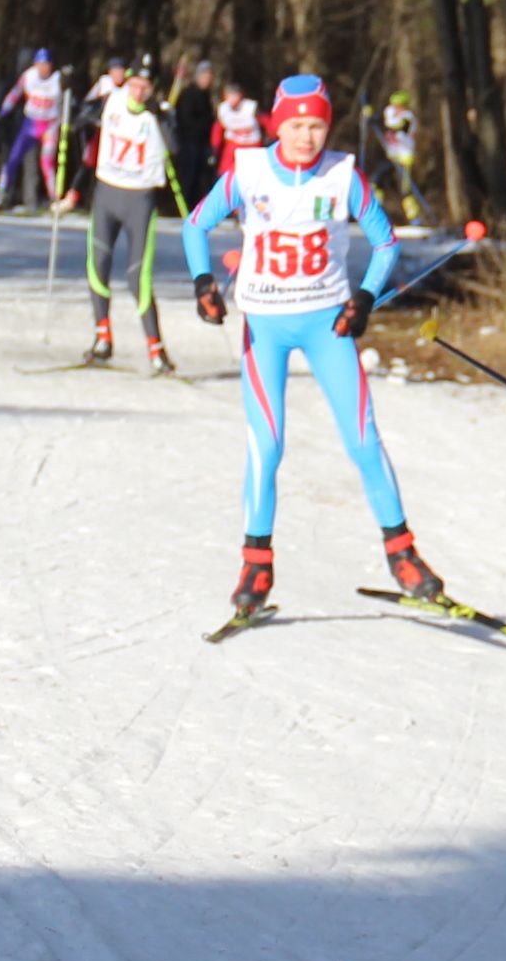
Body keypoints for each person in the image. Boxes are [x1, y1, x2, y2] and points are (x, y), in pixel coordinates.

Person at [181, 76, 441, 620]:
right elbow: (195, 224)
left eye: (317, 125)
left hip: (328, 325)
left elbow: (386, 242)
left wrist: (365, 297)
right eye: (297, 125)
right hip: (267, 328)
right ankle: (256, 564)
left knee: (364, 439)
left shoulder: (342, 175)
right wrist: (203, 282)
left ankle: (403, 553)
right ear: (278, 123)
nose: (307, 137)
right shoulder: (248, 171)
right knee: (267, 444)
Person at [81, 59, 184, 371]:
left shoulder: (160, 112)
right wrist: (75, 107)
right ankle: (102, 340)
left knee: (137, 276)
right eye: (134, 85)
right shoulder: (110, 100)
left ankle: (157, 351)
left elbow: (175, 147)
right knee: (97, 265)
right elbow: (80, 120)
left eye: (144, 87)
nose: (138, 93)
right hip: (107, 193)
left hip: (140, 200)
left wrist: (161, 116)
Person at [0, 50, 66, 207]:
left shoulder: (57, 79)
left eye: (46, 65)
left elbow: (67, 98)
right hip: (31, 123)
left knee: (47, 162)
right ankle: (1, 193)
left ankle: (55, 198)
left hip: (50, 125)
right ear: (35, 64)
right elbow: (15, 93)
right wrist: (4, 111)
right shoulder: (29, 76)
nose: (43, 68)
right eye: (40, 64)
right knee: (13, 158)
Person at [169, 60, 222, 210]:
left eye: (209, 77)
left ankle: (198, 207)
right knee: (189, 177)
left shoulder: (206, 95)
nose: (207, 80)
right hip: (189, 142)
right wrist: (204, 125)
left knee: (202, 177)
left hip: (202, 143)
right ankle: (185, 207)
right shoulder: (189, 94)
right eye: (204, 76)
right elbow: (185, 119)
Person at [374, 91, 428, 224]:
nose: (396, 109)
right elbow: (384, 120)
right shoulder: (390, 113)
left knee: (405, 190)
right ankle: (375, 211)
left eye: (399, 106)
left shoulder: (408, 118)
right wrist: (371, 116)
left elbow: (399, 127)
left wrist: (378, 122)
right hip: (392, 156)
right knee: (376, 181)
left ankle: (414, 217)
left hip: (405, 157)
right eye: (394, 106)